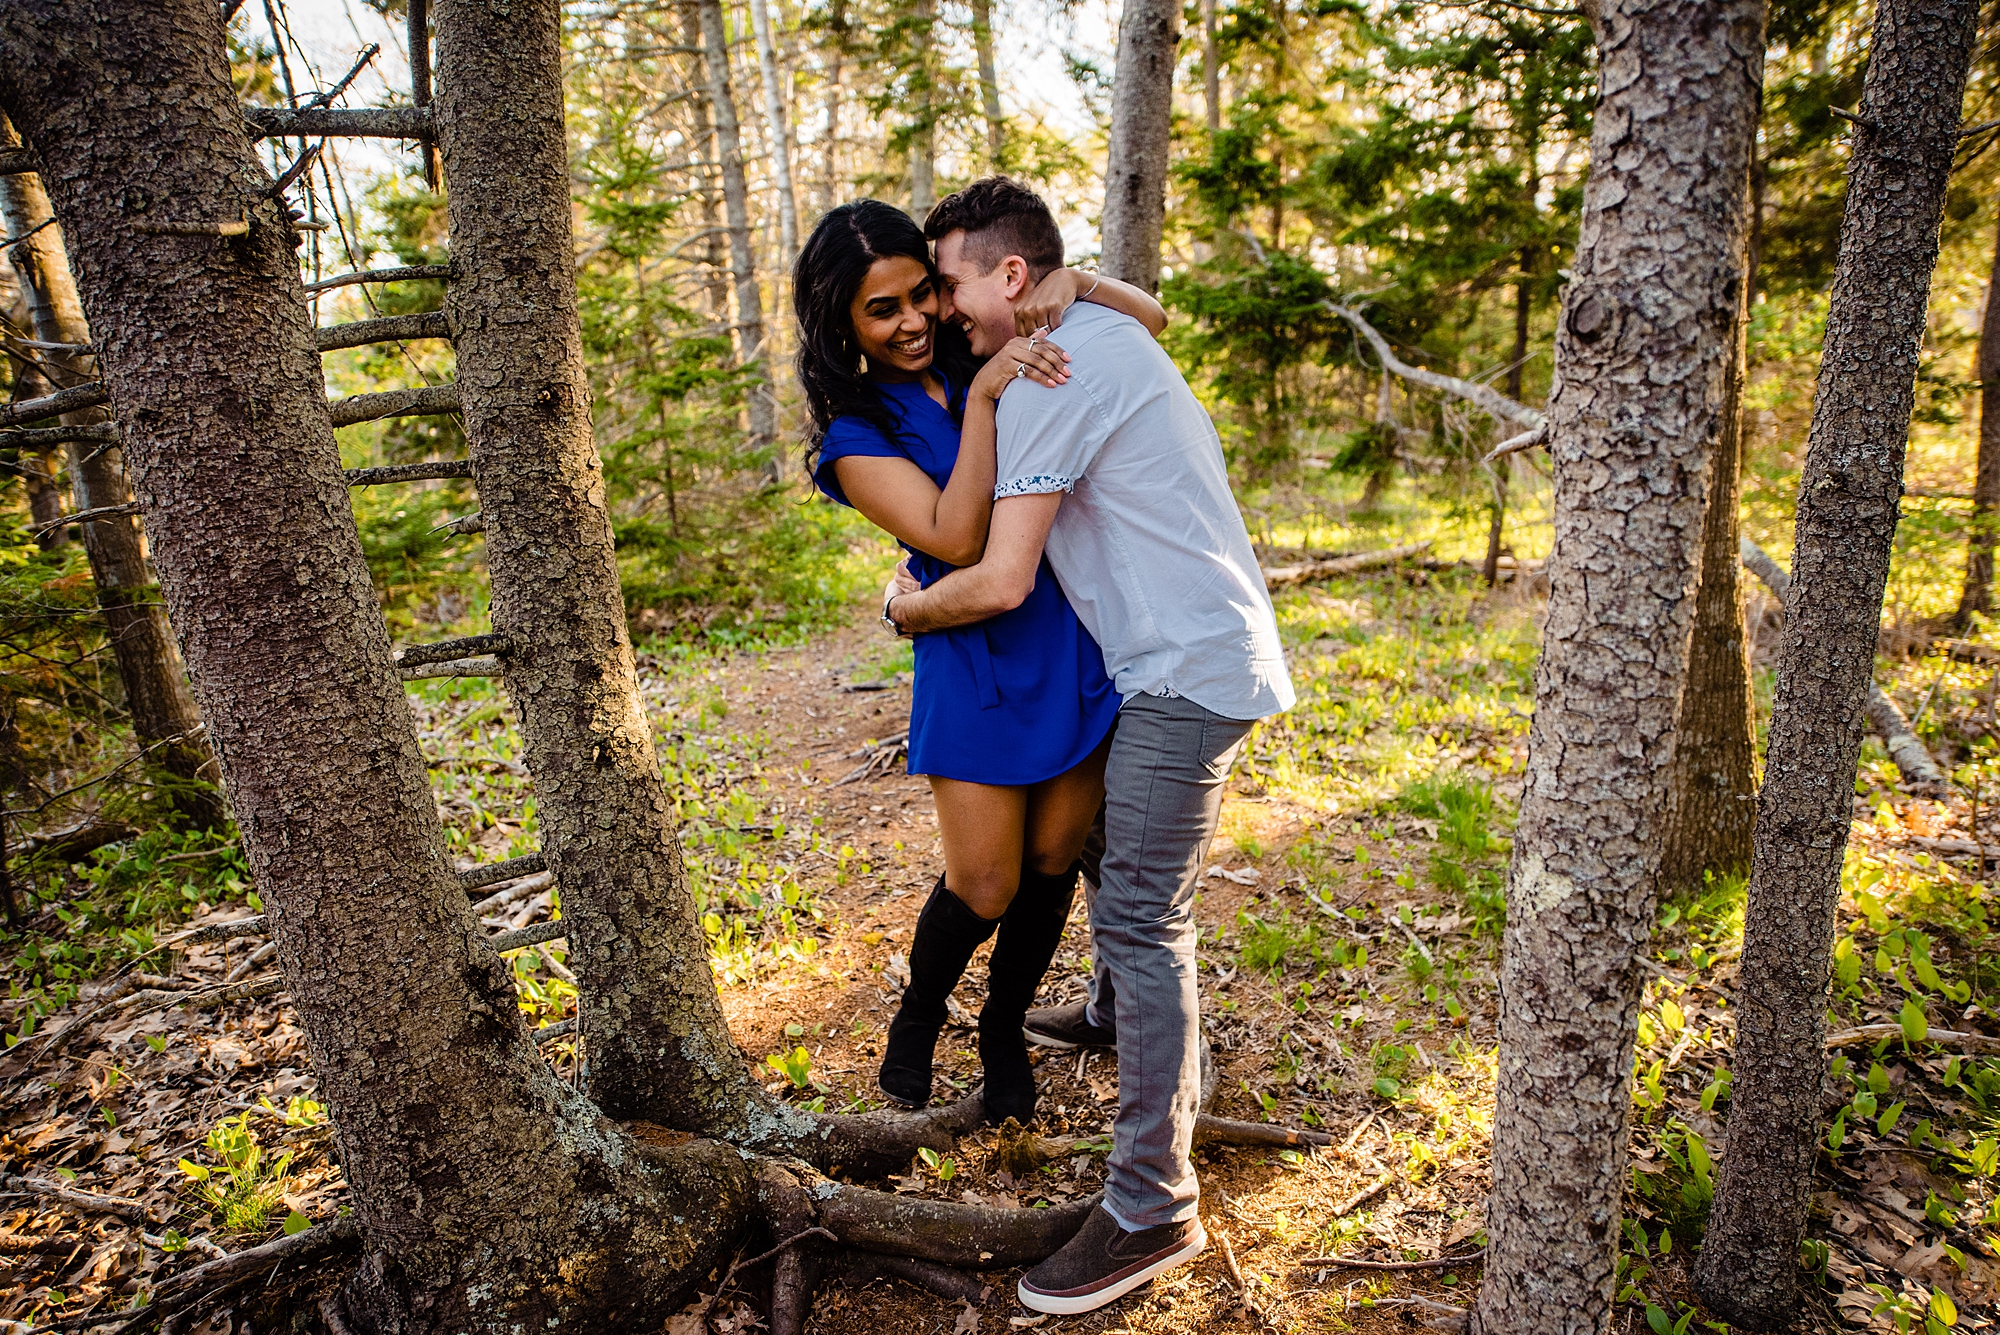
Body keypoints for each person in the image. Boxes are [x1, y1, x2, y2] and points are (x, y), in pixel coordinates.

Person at [882, 177, 1295, 1314]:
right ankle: (1115, 1020)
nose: (945, 310)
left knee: (1141, 915)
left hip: (1180, 668)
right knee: (1120, 865)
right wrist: (1085, 279)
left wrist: (903, 609)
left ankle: (1150, 1204)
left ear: (1010, 278)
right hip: (1182, 653)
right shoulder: (1095, 323)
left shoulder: (1045, 378)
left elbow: (1000, 576)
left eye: (954, 284)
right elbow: (1149, 309)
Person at [793, 199, 1169, 1124]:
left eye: (923, 293)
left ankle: (1003, 1026)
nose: (916, 319)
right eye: (882, 310)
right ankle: (920, 1012)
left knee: (1049, 865)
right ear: (843, 324)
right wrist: (992, 397)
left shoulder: (974, 344)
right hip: (972, 654)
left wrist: (1075, 282)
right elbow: (957, 537)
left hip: (1069, 636)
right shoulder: (855, 436)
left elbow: (1149, 321)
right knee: (985, 880)